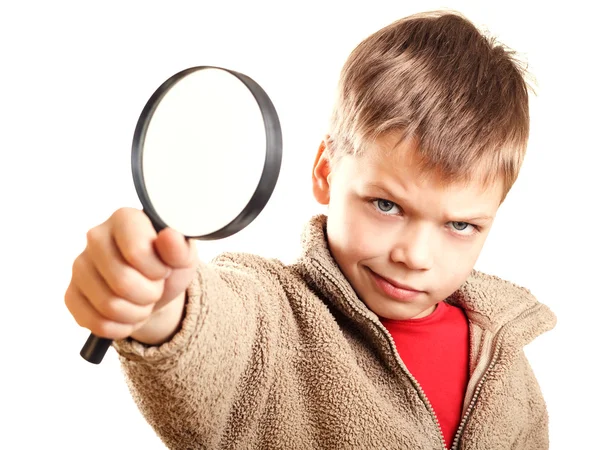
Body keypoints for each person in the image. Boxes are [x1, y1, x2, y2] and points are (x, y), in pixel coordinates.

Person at [65, 10, 557, 450]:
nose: (416, 255)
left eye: (461, 225)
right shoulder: (276, 316)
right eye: (386, 205)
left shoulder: (507, 372)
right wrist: (160, 305)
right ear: (325, 171)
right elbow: (218, 333)